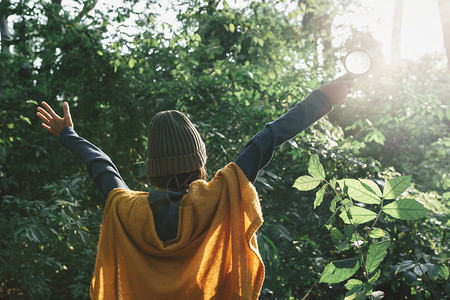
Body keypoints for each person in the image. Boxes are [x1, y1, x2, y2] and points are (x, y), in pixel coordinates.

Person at [36, 77, 354, 299]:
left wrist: (69, 135)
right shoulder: (215, 199)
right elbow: (267, 138)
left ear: (152, 169)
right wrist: (322, 98)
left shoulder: (126, 209)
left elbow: (103, 168)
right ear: (199, 162)